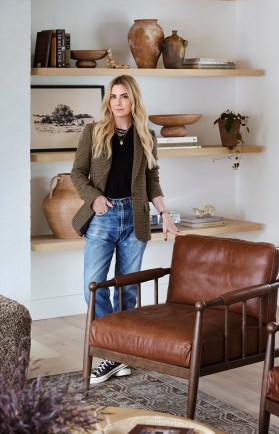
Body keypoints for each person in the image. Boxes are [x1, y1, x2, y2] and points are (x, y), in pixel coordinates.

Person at [71, 75, 182, 384]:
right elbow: (77, 173)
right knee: (93, 286)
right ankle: (112, 351)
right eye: (113, 96)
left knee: (128, 289)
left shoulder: (146, 135)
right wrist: (95, 199)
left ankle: (116, 357)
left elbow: (151, 180)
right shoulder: (93, 132)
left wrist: (166, 215)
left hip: (135, 217)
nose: (117, 102)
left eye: (123, 96)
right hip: (104, 217)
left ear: (134, 101)